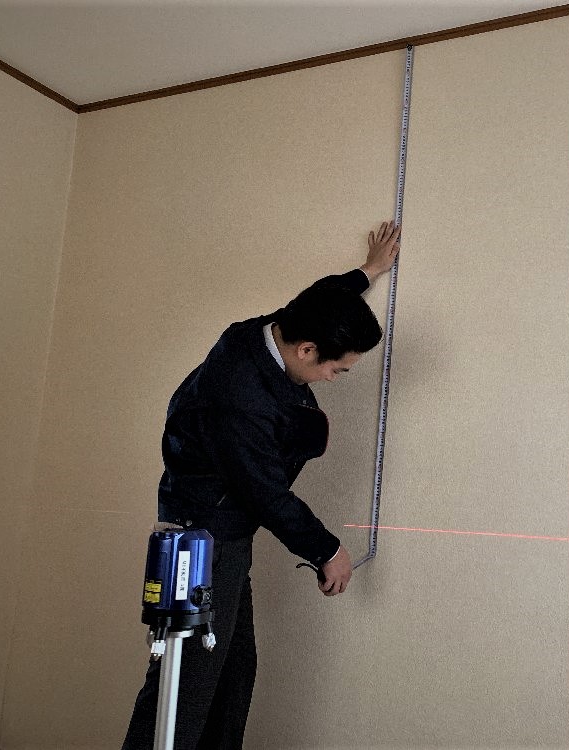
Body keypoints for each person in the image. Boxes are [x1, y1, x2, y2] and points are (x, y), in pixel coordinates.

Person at [122, 221, 401, 750]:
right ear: (307, 350)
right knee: (184, 689)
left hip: (223, 531)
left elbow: (321, 295)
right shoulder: (239, 397)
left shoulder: (275, 328)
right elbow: (264, 492)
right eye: (338, 371)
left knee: (232, 676)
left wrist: (368, 272)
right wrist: (327, 550)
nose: (334, 380)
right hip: (202, 539)